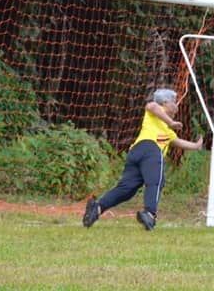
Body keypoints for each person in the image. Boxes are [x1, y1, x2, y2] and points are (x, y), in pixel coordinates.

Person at [82, 88, 203, 231]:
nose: (177, 105)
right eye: (174, 102)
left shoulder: (167, 131)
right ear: (165, 102)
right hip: (150, 150)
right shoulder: (155, 112)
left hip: (136, 153)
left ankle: (97, 207)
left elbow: (177, 141)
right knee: (156, 181)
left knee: (127, 189)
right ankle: (150, 213)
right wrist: (171, 121)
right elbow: (151, 106)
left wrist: (196, 146)